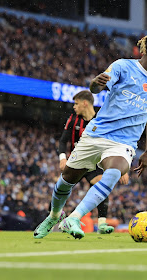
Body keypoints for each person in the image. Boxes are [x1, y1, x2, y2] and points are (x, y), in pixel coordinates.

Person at [34, 32, 147, 239]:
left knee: (115, 170)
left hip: (124, 142)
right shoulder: (123, 67)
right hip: (97, 133)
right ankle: (54, 215)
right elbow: (96, 88)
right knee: (67, 179)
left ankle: (74, 217)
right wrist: (94, 83)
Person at [57, 90, 129, 234]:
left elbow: (114, 144)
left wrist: (121, 169)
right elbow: (63, 140)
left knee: (102, 183)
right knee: (62, 188)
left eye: (76, 104)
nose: (74, 107)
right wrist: (62, 157)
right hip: (76, 161)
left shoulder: (101, 121)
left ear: (85, 103)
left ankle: (102, 224)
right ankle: (53, 217)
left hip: (94, 164)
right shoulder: (73, 119)